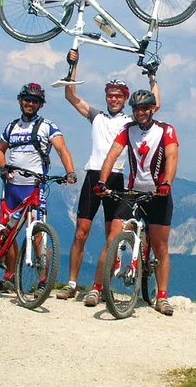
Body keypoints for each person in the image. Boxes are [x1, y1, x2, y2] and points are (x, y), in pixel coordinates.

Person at [55, 49, 160, 301]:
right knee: (81, 231)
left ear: (125, 100)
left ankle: (97, 287)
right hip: (92, 176)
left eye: (118, 96)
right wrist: (73, 65)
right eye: (110, 95)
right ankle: (71, 283)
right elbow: (70, 95)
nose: (113, 99)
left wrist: (153, 79)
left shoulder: (129, 122)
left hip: (116, 178)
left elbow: (153, 105)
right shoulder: (97, 116)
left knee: (111, 237)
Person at [92, 89, 178, 316]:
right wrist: (102, 181)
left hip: (159, 194)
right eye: (136, 109)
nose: (140, 112)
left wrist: (166, 183)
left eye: (144, 108)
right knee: (113, 238)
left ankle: (162, 297)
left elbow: (172, 157)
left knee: (160, 247)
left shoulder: (166, 130)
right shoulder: (127, 130)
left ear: (152, 109)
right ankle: (97, 288)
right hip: (132, 193)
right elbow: (112, 154)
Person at [0, 82, 77, 293]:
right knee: (8, 233)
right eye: (27, 99)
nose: (30, 103)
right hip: (12, 188)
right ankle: (9, 277)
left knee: (38, 234)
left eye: (34, 101)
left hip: (34, 188)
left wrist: (70, 171)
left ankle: (43, 281)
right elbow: (0, 150)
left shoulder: (48, 126)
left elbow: (62, 149)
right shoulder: (11, 127)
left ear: (40, 105)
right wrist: (2, 167)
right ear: (20, 100)